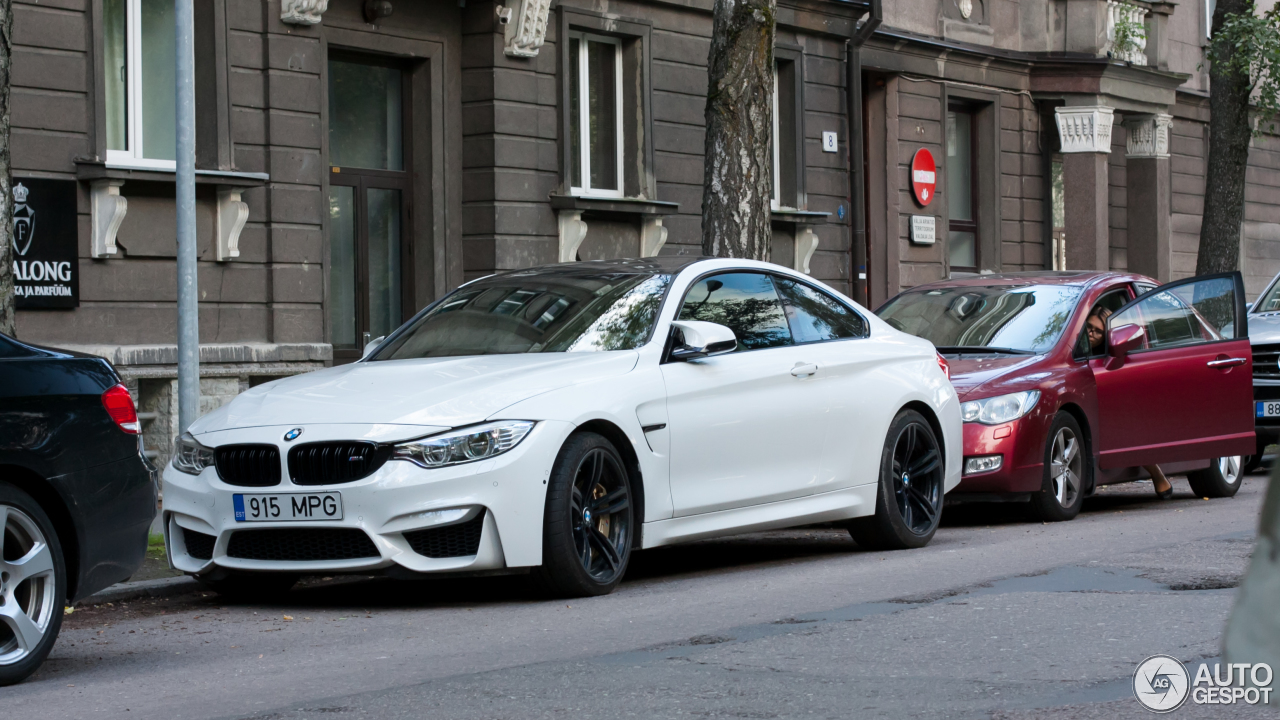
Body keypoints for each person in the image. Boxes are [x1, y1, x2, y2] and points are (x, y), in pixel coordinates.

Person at [1085, 305, 1174, 500]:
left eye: (1098, 331)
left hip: (1112, 404)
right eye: (1089, 327)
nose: (1091, 333)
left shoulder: (1115, 351)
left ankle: (1157, 475)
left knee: (1130, 428)